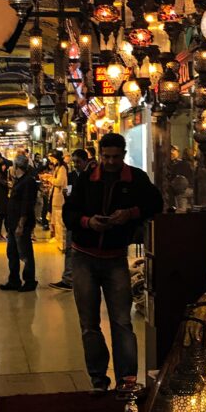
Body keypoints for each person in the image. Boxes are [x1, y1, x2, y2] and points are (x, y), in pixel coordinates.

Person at [63, 132, 163, 397]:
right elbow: (69, 214)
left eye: (115, 157)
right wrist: (88, 222)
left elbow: (156, 203)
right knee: (89, 323)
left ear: (123, 155)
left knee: (122, 322)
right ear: (99, 155)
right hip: (84, 257)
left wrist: (129, 214)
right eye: (106, 157)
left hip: (115, 258)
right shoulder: (86, 179)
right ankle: (98, 378)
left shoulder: (136, 179)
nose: (110, 162)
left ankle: (126, 380)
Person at [50, 148, 90, 291]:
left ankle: (82, 279)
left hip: (86, 219)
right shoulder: (72, 175)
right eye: (74, 162)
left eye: (78, 162)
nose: (76, 165)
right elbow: (68, 191)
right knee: (69, 248)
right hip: (73, 217)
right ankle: (68, 279)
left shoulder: (91, 176)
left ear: (86, 161)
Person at [0, 154, 39, 292]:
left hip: (21, 224)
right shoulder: (19, 181)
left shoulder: (28, 182)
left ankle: (29, 280)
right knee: (12, 253)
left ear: (16, 166)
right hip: (12, 223)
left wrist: (21, 224)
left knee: (25, 253)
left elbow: (27, 204)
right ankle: (14, 280)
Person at [49, 150, 69, 248]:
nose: (52, 161)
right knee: (55, 218)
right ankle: (57, 237)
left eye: (53, 158)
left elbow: (59, 182)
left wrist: (50, 179)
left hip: (59, 196)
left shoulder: (62, 168)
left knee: (58, 218)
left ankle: (60, 239)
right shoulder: (58, 167)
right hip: (56, 195)